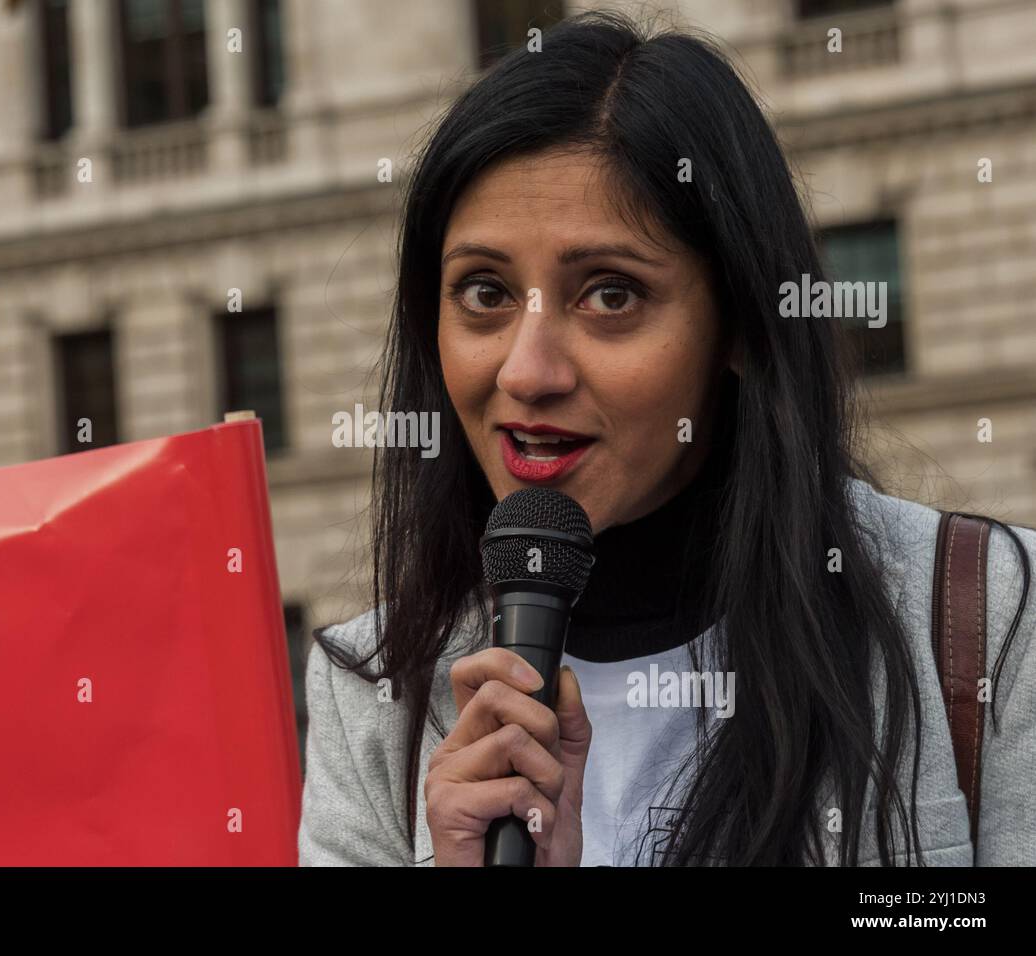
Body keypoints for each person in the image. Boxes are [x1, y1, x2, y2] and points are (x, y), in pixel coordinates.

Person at [296, 10, 1035, 866]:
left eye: (610, 295)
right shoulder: (371, 692)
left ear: (740, 328)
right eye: (485, 293)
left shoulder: (983, 621)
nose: (528, 372)